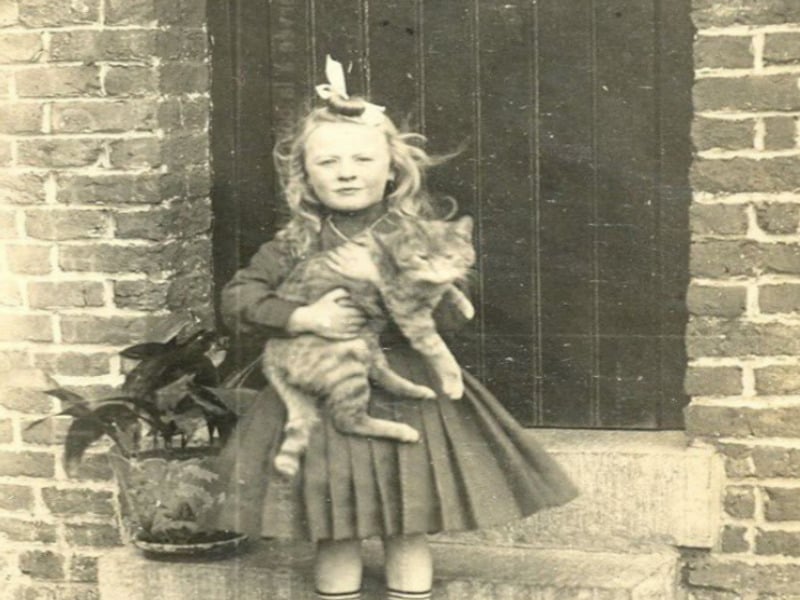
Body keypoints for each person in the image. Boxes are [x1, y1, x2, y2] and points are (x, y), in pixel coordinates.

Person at [213, 57, 578, 600]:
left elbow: (452, 314)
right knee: (334, 531)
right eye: (328, 161)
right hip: (328, 383)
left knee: (407, 526)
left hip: (407, 392)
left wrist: (432, 294)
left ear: (391, 171)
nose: (346, 171)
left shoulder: (418, 234)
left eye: (363, 158)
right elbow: (237, 298)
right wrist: (303, 317)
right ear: (306, 178)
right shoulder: (295, 240)